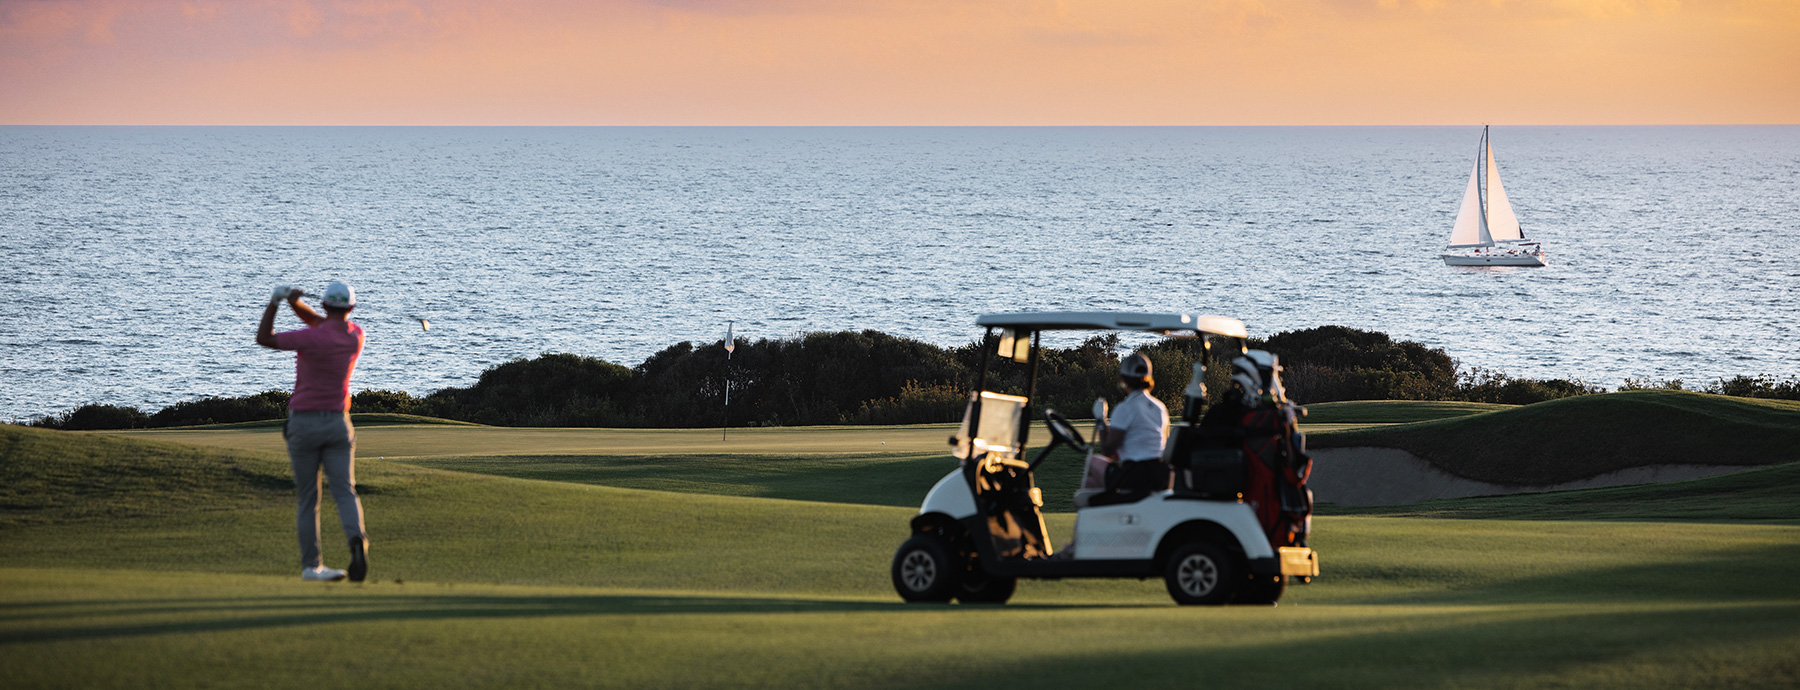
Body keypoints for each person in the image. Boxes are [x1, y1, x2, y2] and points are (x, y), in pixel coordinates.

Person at [255, 281, 369, 583]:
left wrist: (276, 302)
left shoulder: (309, 338)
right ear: (351, 309)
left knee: (309, 498)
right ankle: (357, 540)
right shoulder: (356, 336)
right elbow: (324, 324)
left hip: (304, 423)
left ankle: (312, 566)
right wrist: (294, 303)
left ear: (325, 305)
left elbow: (264, 338)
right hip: (337, 423)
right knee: (345, 490)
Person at [1099, 353, 1170, 494]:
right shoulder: (1160, 407)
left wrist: (1101, 421)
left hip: (1135, 476)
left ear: (1124, 378)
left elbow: (1108, 449)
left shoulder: (1125, 408)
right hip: (1160, 475)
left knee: (1095, 463)